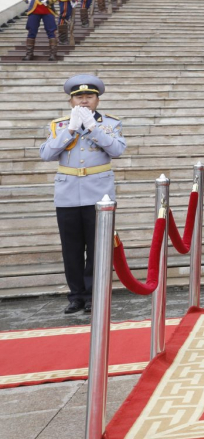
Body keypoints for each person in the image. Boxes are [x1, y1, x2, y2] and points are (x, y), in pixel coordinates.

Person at [38, 75, 126, 314]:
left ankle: (93, 295)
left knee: (98, 247)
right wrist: (71, 130)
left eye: (89, 97)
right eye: (79, 97)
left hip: (99, 193)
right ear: (71, 101)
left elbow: (117, 150)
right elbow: (46, 155)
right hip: (67, 193)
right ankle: (76, 296)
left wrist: (93, 129)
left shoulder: (110, 124)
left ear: (97, 100)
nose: (84, 101)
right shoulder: (59, 125)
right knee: (71, 248)